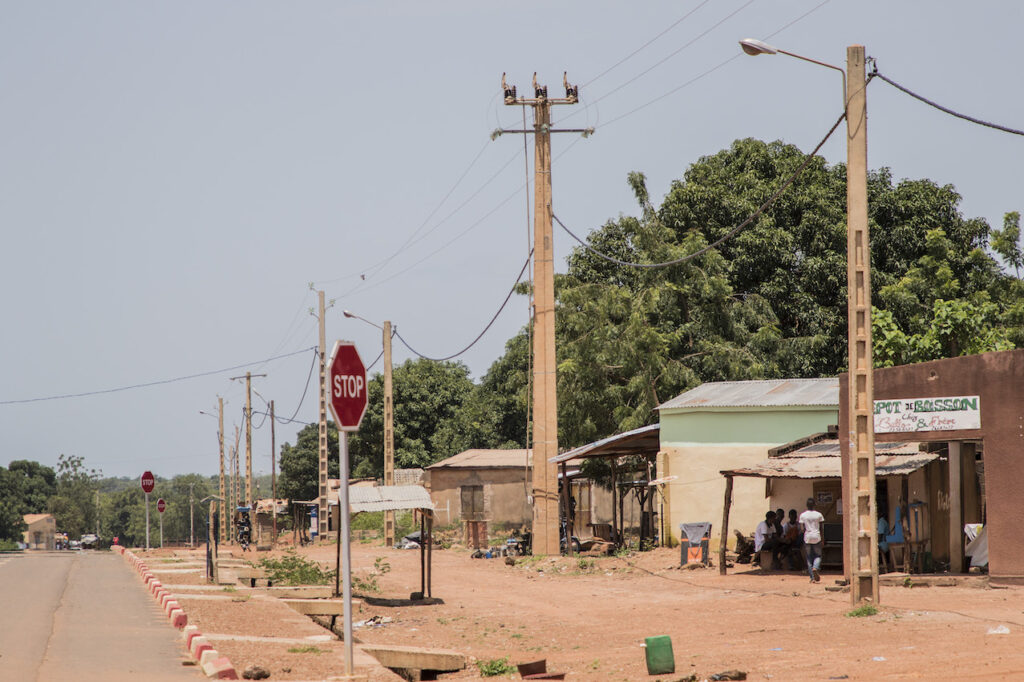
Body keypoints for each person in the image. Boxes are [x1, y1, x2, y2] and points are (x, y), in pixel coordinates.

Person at [799, 498, 825, 582]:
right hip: (817, 536)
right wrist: (823, 539)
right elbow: (821, 528)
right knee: (818, 555)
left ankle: (812, 578)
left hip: (807, 537)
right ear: (814, 505)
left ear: (807, 505)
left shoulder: (803, 515)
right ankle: (815, 567)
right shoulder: (819, 515)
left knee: (809, 557)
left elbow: (802, 529)